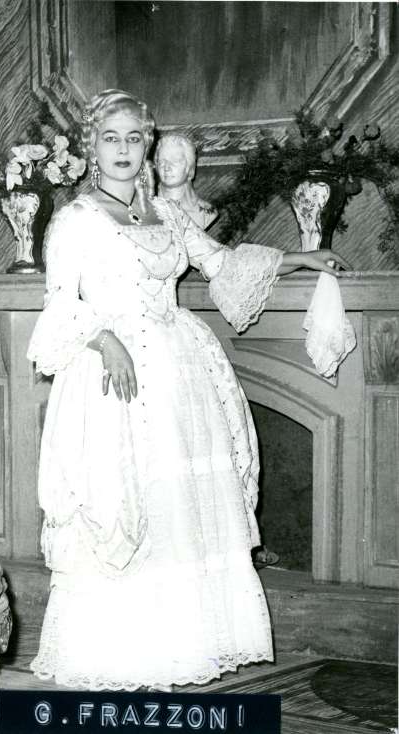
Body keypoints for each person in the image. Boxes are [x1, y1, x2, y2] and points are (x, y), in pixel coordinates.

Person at [27, 89, 349, 692]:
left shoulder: (165, 212)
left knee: (181, 503)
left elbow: (220, 261)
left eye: (134, 137)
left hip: (180, 371)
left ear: (147, 145)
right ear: (92, 147)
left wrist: (303, 260)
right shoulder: (75, 220)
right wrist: (104, 338)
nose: (124, 149)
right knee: (128, 500)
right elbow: (58, 304)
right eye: (111, 138)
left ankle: (182, 646)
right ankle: (124, 654)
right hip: (114, 376)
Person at [154, 133, 218, 230]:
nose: (166, 168)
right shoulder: (147, 209)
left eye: (175, 161)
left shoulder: (206, 213)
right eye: (162, 162)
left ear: (190, 168)